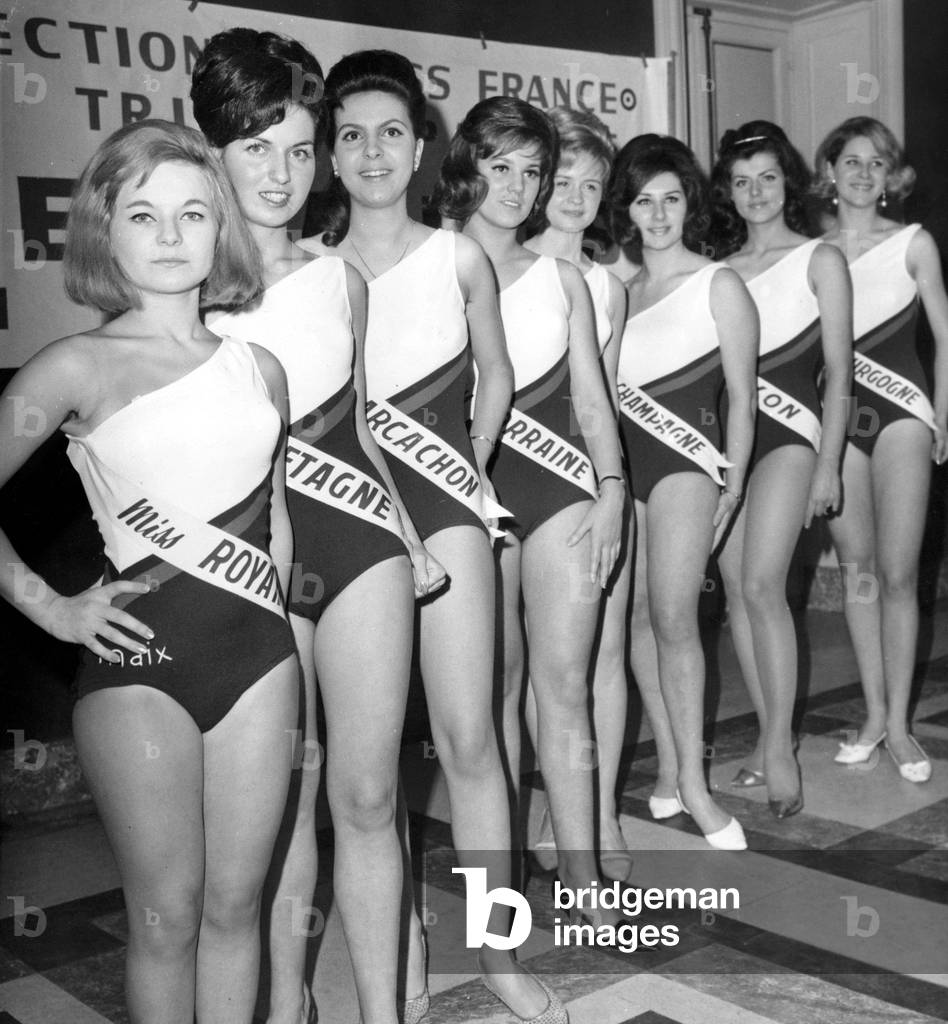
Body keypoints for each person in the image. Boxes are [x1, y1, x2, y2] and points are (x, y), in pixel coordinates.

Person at [0, 120, 300, 1023]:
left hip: (260, 661)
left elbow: (276, 517)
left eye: (192, 213)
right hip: (139, 669)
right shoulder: (74, 365)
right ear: (105, 229)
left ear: (222, 229)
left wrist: (279, 630)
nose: (170, 237)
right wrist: (50, 608)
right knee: (166, 918)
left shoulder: (264, 368)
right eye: (144, 214)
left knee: (236, 907)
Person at [191, 31, 443, 1024]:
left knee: (370, 795)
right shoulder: (183, 284)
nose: (284, 173)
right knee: (284, 799)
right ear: (215, 148)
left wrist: (408, 532)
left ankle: (382, 1013)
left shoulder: (341, 276)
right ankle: (289, 1001)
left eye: (301, 149)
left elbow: (359, 425)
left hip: (361, 546)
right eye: (259, 148)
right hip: (255, 558)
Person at [312, 50, 564, 1023]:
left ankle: (500, 958)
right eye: (350, 133)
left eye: (390, 131)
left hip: (452, 509)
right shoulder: (310, 273)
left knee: (470, 742)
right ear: (330, 153)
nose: (373, 151)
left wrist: (464, 469)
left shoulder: (456, 256)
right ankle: (396, 956)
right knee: (367, 773)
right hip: (345, 517)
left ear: (420, 146)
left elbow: (494, 375)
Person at [435, 95, 626, 911]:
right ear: (467, 168)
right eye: (500, 166)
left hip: (562, 495)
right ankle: (503, 874)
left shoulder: (563, 279)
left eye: (532, 171)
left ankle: (581, 874)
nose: (517, 187)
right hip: (464, 496)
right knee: (491, 693)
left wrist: (614, 491)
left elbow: (592, 403)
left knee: (565, 684)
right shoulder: (426, 268)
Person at [610, 134, 758, 849]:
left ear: (690, 203)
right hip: (627, 467)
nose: (659, 213)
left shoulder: (719, 283)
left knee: (675, 616)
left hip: (688, 466)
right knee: (636, 617)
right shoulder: (620, 291)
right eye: (644, 199)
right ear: (627, 208)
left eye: (671, 198)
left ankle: (697, 787)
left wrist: (730, 478)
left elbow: (743, 397)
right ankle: (668, 769)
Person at [709, 121, 852, 817]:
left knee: (765, 582)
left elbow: (842, 376)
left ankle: (780, 749)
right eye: (741, 181)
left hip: (794, 439)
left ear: (787, 182)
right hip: (733, 443)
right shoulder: (721, 270)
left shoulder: (820, 259)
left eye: (767, 177)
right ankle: (767, 741)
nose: (755, 192)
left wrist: (829, 468)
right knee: (738, 589)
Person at [814, 116, 948, 781]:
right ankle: (872, 714)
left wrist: (942, 416)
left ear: (890, 178)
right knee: (857, 572)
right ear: (829, 173)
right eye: (851, 161)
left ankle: (899, 727)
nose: (863, 173)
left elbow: (946, 337)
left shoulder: (913, 245)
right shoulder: (811, 254)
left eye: (876, 163)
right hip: (841, 419)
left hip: (902, 415)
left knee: (897, 573)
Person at [521, 106, 632, 881]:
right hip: (506, 484)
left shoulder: (607, 286)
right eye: (563, 179)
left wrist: (612, 489)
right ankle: (549, 813)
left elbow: (607, 401)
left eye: (593, 184)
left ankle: (600, 821)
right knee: (525, 672)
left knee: (603, 656)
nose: (577, 195)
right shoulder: (492, 262)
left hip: (586, 484)